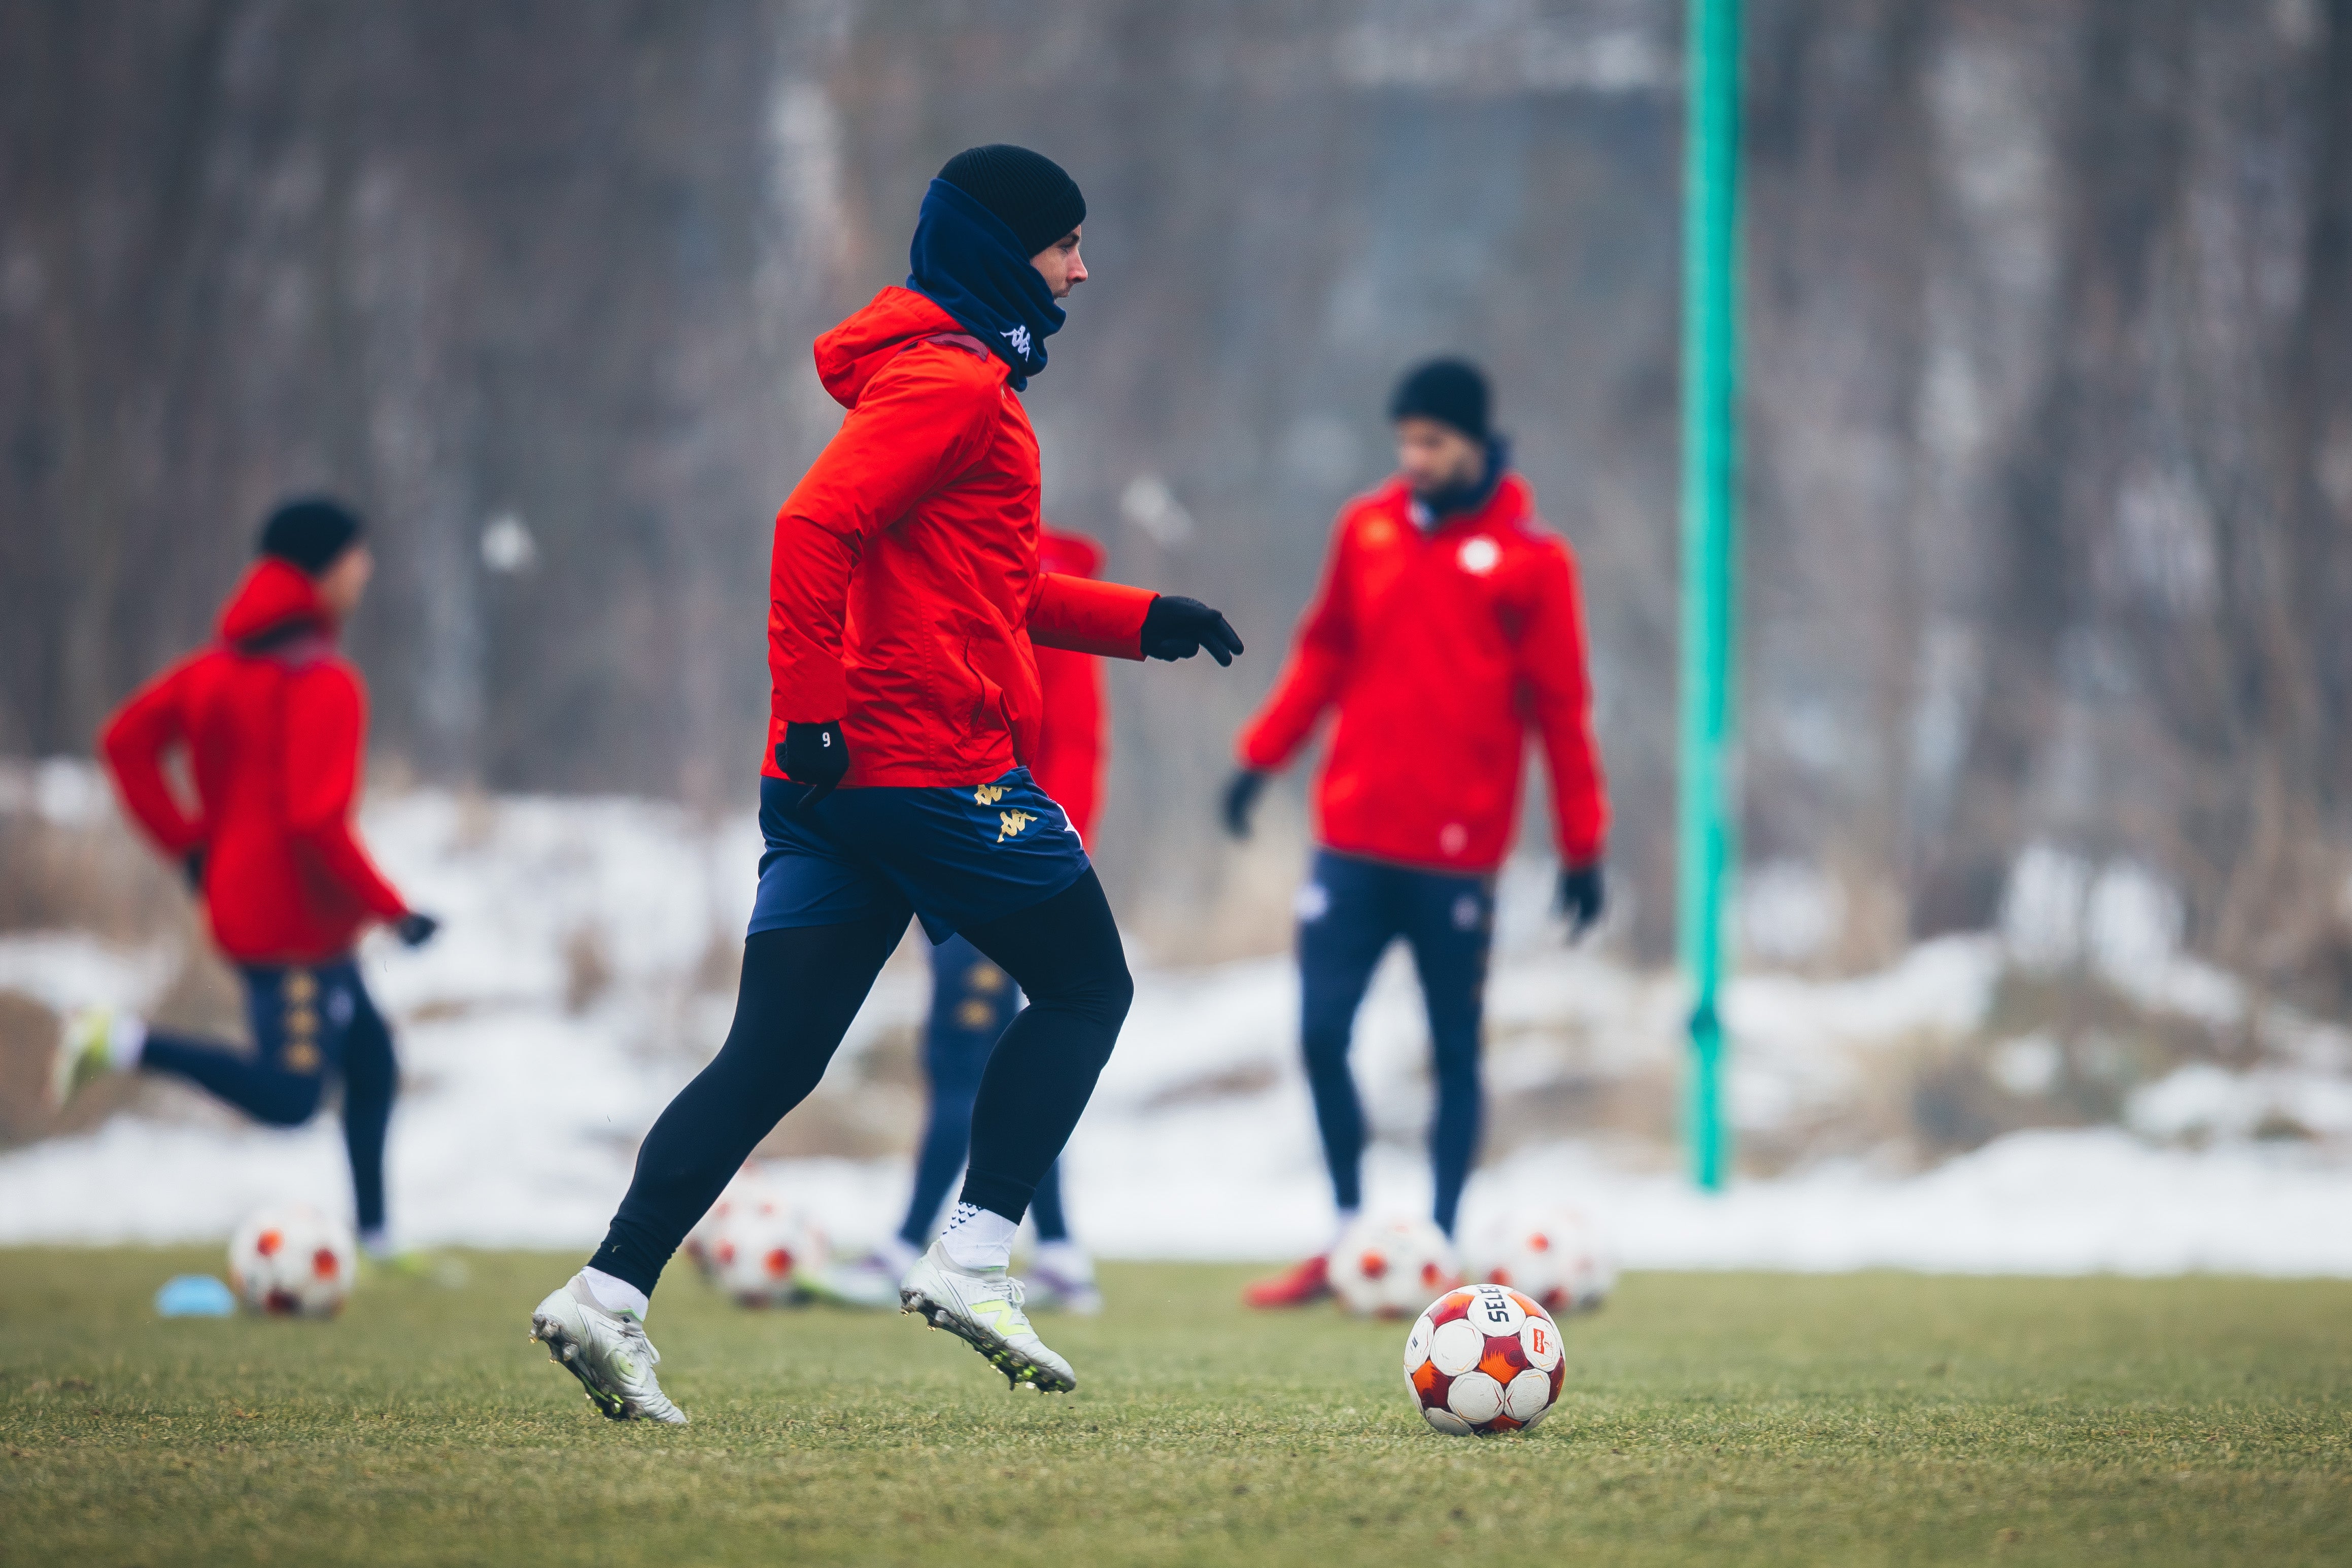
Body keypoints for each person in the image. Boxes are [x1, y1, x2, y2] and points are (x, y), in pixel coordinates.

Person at [527, 145, 1242, 1423]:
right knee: (1087, 985)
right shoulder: (956, 385)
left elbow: (990, 588)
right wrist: (810, 714)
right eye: (1062, 244)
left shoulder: (930, 379)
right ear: (997, 251)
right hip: (920, 762)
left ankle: (609, 1291)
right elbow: (811, 527)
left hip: (834, 786)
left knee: (773, 1055)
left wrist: (1144, 618)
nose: (1082, 268)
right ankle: (973, 1255)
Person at [1224, 358, 1607, 1309]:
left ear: (1477, 443)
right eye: (1405, 441)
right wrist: (1262, 755)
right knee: (1319, 1033)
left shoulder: (1533, 559)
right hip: (1351, 838)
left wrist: (1582, 843)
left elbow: (1562, 707)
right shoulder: (1368, 527)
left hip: (1458, 856)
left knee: (1454, 1052)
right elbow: (1324, 650)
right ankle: (1352, 1235)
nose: (1415, 459)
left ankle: (1435, 1243)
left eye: (1432, 441)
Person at [55, 497, 440, 1261]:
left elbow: (123, 742)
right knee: (293, 1095)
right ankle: (121, 1041)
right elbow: (315, 820)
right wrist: (396, 912)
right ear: (323, 569)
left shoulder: (213, 672)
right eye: (356, 556)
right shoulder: (325, 682)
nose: (365, 569)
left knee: (371, 1063)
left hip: (264, 910)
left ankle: (377, 1239)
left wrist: (192, 847)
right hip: (292, 926)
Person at [824, 524, 1111, 1315]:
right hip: (939, 839)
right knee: (1008, 1057)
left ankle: (909, 1241)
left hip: (998, 854)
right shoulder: (936, 558)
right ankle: (1058, 1251)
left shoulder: (1022, 574)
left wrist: (1049, 861)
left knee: (965, 1056)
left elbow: (1078, 741)